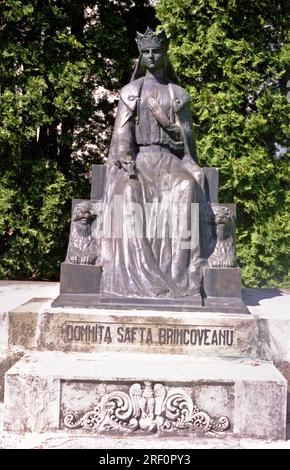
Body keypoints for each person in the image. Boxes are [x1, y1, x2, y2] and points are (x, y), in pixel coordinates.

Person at [101, 27, 209, 298]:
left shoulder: (177, 94)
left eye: (156, 51)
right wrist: (125, 155)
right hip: (140, 159)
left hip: (170, 161)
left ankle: (180, 276)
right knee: (128, 191)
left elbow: (186, 141)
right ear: (140, 56)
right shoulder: (131, 91)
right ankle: (139, 274)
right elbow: (122, 133)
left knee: (186, 188)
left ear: (165, 53)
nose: (151, 56)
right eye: (146, 52)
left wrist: (166, 121)